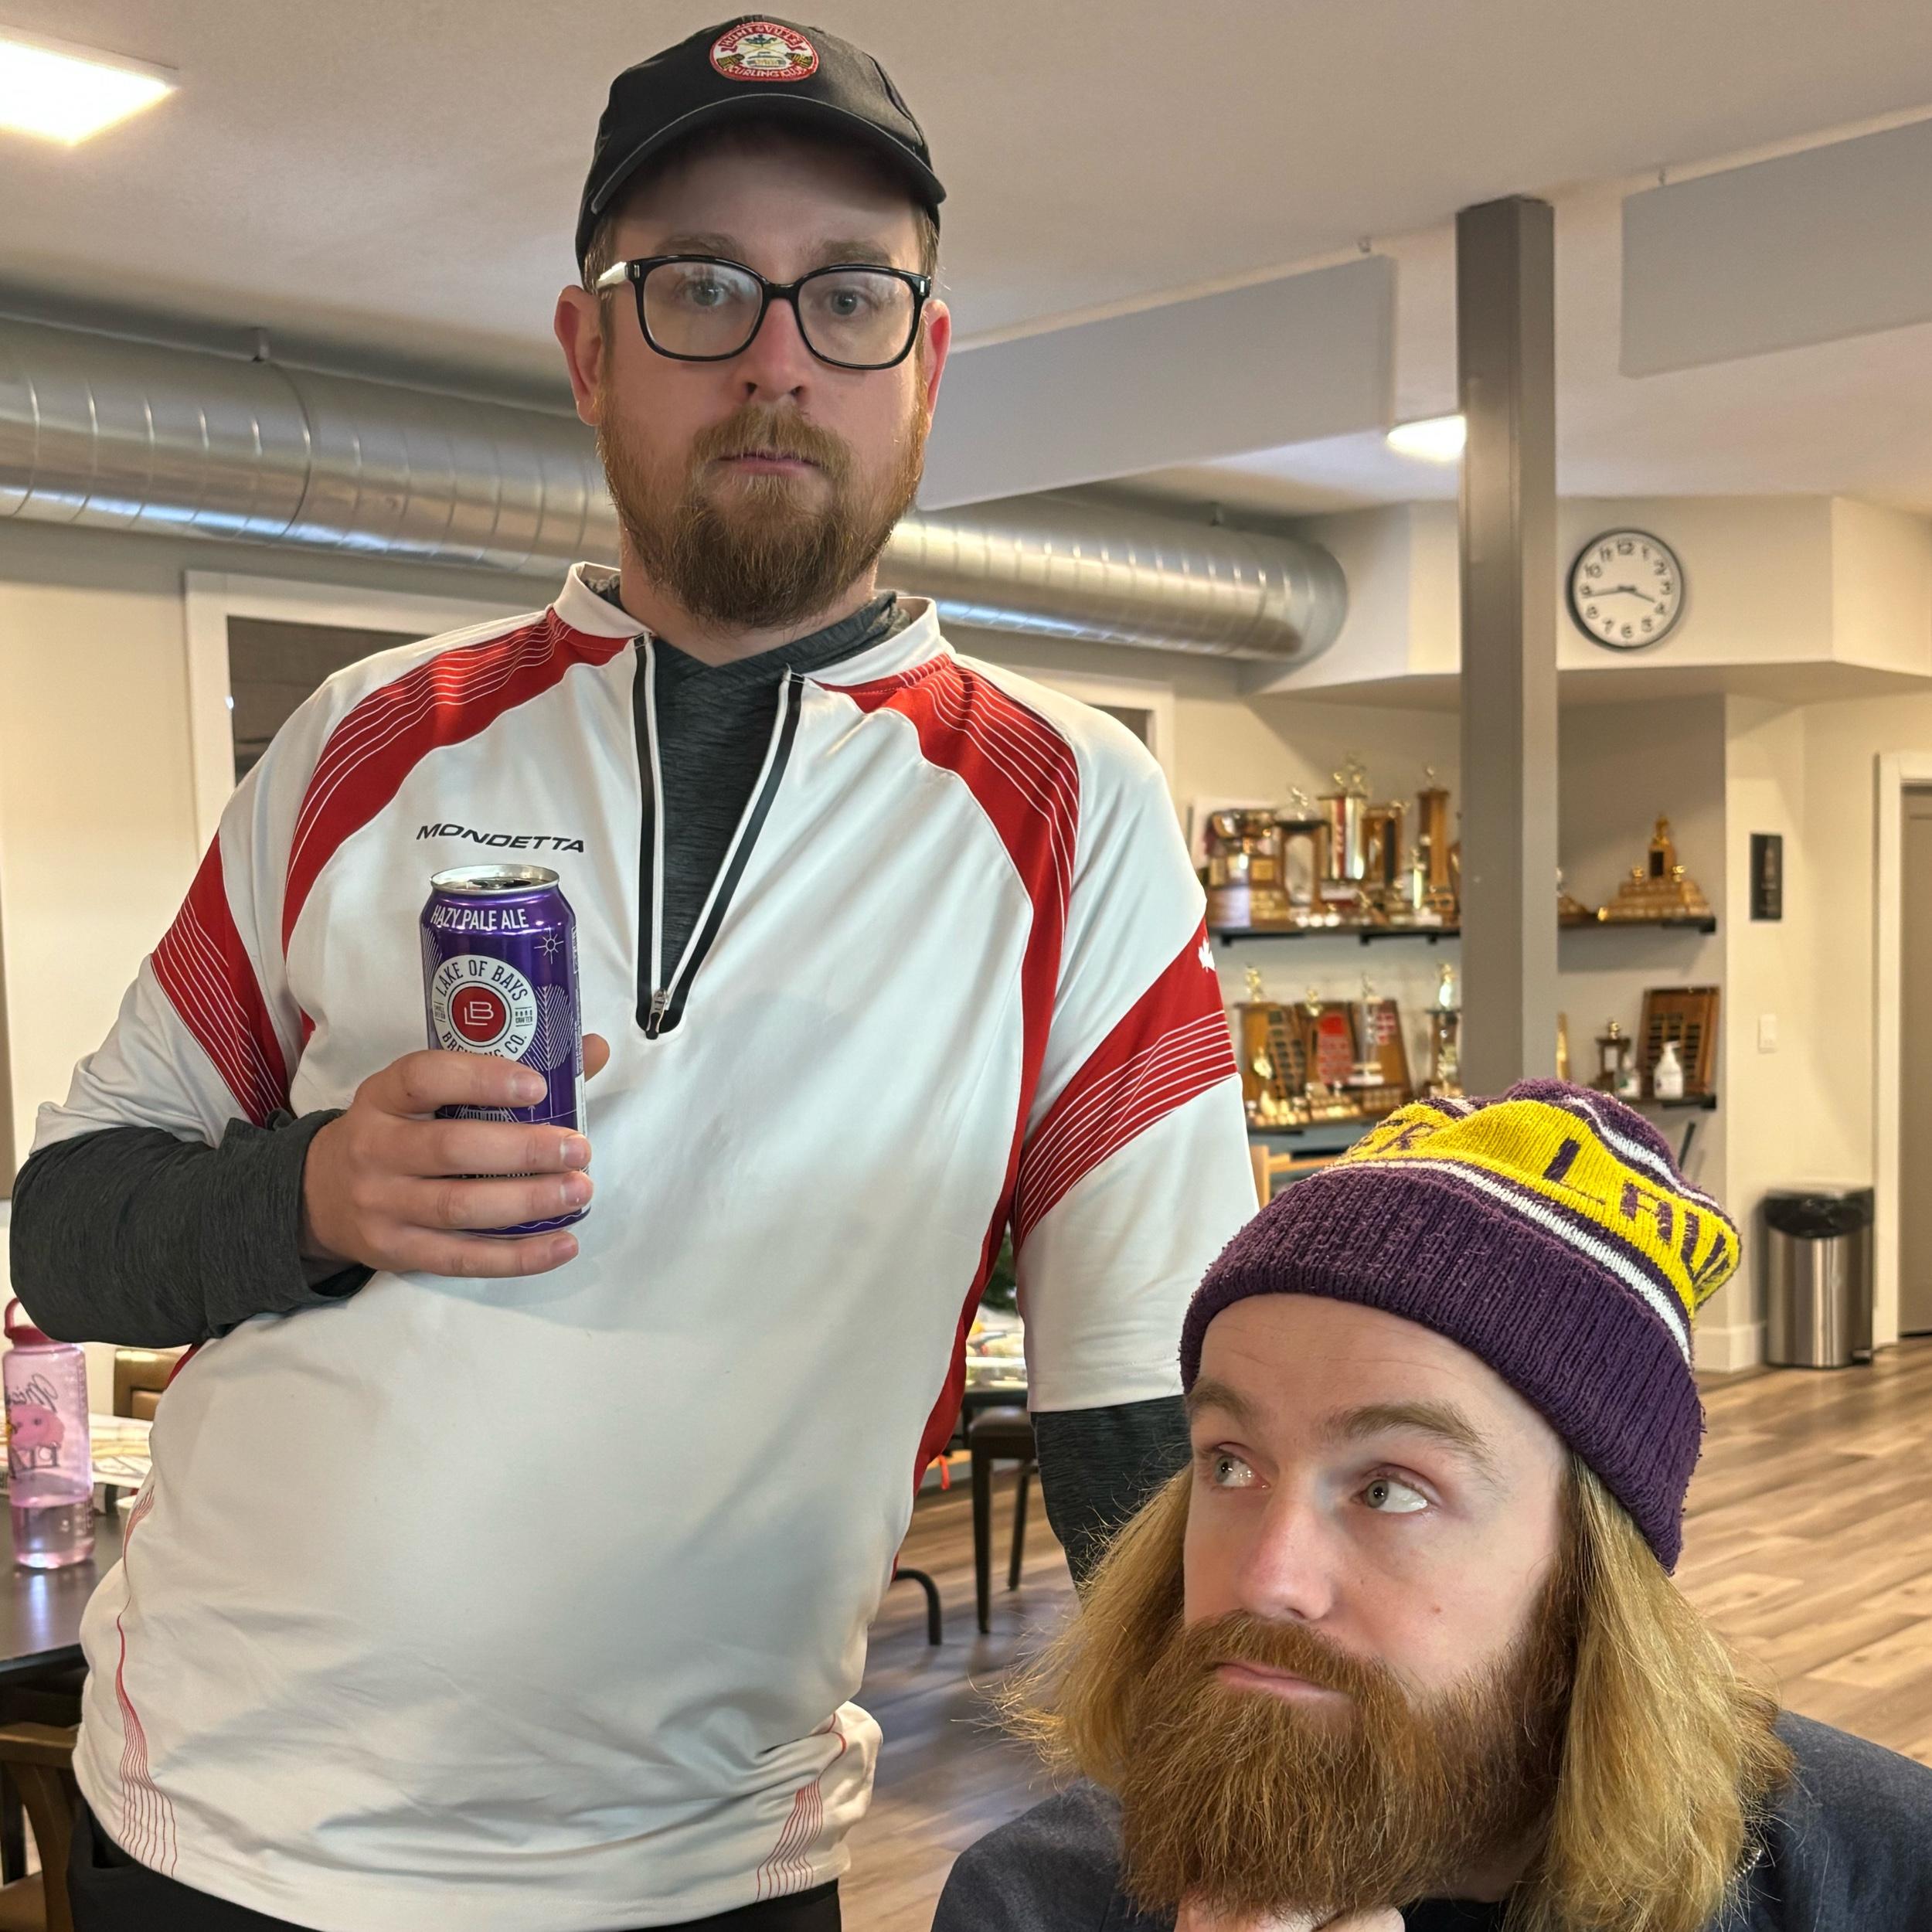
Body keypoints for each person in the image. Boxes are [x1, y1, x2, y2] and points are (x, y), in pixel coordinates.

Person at [9, 18, 1256, 1930]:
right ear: (589, 350)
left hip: (701, 1859)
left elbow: (1138, 1427)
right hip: (209, 1821)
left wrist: (1224, 1849)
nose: (775, 359)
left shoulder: (1070, 810)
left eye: (848, 296)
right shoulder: (367, 737)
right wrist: (314, 1190)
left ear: (925, 367)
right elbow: (70, 1228)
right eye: (699, 288)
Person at [937, 1083, 1932, 1932]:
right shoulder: (1034, 1903)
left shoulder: (1877, 1875)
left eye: (1389, 1490)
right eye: (1231, 1466)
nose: (1268, 1577)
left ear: (1592, 1567)